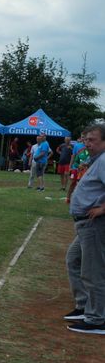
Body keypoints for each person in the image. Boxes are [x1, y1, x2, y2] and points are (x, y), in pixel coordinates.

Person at [63, 122, 105, 334]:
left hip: (94, 224)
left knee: (93, 270)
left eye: (92, 140)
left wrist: (102, 208)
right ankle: (84, 305)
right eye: (86, 139)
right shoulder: (96, 160)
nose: (87, 143)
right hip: (85, 224)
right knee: (74, 259)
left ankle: (97, 319)